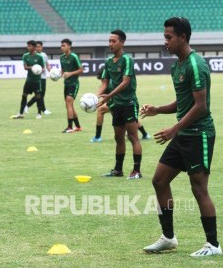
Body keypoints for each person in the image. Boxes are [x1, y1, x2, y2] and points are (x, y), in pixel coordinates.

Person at [142, 17, 221, 257]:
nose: (165, 41)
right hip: (184, 134)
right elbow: (183, 102)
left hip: (199, 135)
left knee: (199, 188)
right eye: (164, 36)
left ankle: (214, 245)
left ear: (182, 37)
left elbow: (201, 106)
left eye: (168, 37)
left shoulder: (195, 64)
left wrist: (173, 129)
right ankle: (168, 237)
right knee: (159, 181)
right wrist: (158, 109)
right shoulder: (177, 65)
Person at [97, 29, 142, 180]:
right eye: (109, 41)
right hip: (116, 105)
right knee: (118, 138)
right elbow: (104, 82)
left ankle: (136, 171)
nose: (110, 44)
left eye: (113, 41)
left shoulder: (127, 60)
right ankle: (118, 170)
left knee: (133, 137)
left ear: (122, 43)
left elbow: (126, 82)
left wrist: (108, 95)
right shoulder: (108, 62)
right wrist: (95, 97)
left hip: (129, 103)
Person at [91, 68, 151, 142]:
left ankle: (97, 137)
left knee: (102, 110)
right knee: (130, 118)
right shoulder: (114, 81)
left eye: (101, 79)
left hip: (118, 103)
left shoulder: (109, 84)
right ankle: (145, 134)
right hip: (122, 103)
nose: (101, 81)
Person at [11, 40, 45, 119]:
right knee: (24, 95)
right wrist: (33, 67)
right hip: (29, 80)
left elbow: (43, 68)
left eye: (29, 46)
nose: (28, 47)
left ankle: (39, 113)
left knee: (38, 96)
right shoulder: (25, 56)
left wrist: (39, 70)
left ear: (34, 47)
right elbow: (25, 67)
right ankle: (20, 113)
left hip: (37, 81)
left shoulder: (39, 57)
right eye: (28, 46)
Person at [60, 38, 83, 132]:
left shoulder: (74, 57)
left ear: (69, 46)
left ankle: (69, 127)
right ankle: (78, 126)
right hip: (66, 84)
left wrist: (70, 73)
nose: (62, 47)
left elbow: (81, 70)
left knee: (69, 102)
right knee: (69, 105)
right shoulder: (61, 58)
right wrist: (58, 75)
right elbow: (62, 71)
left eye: (64, 45)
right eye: (61, 45)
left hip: (74, 84)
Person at [25, 41, 51, 116]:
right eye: (36, 47)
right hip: (36, 78)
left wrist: (51, 71)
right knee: (39, 95)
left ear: (42, 47)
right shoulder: (33, 56)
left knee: (42, 95)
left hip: (43, 78)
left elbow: (47, 64)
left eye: (39, 46)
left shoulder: (44, 55)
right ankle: (29, 106)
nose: (37, 48)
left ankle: (43, 109)